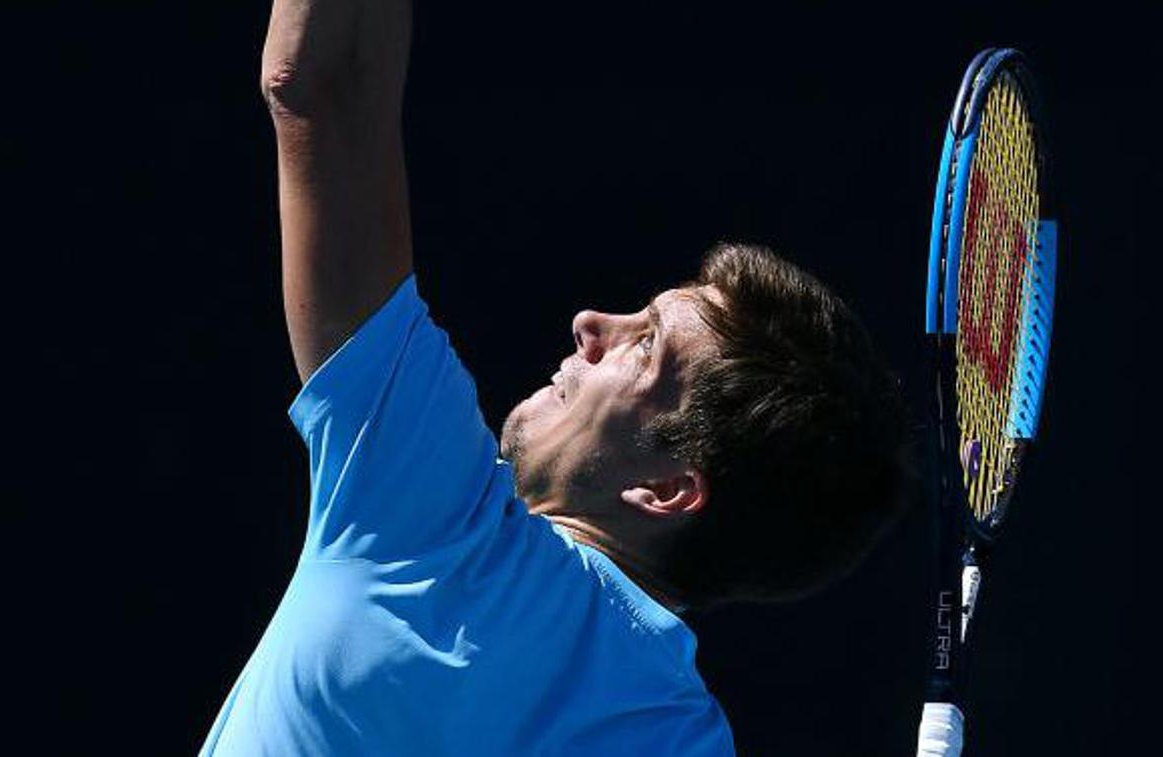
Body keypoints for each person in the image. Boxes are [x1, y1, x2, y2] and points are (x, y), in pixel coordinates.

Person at [200, 1, 912, 754]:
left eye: (645, 348)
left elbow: (321, 82)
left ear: (667, 487)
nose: (591, 323)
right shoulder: (680, 739)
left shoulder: (434, 508)